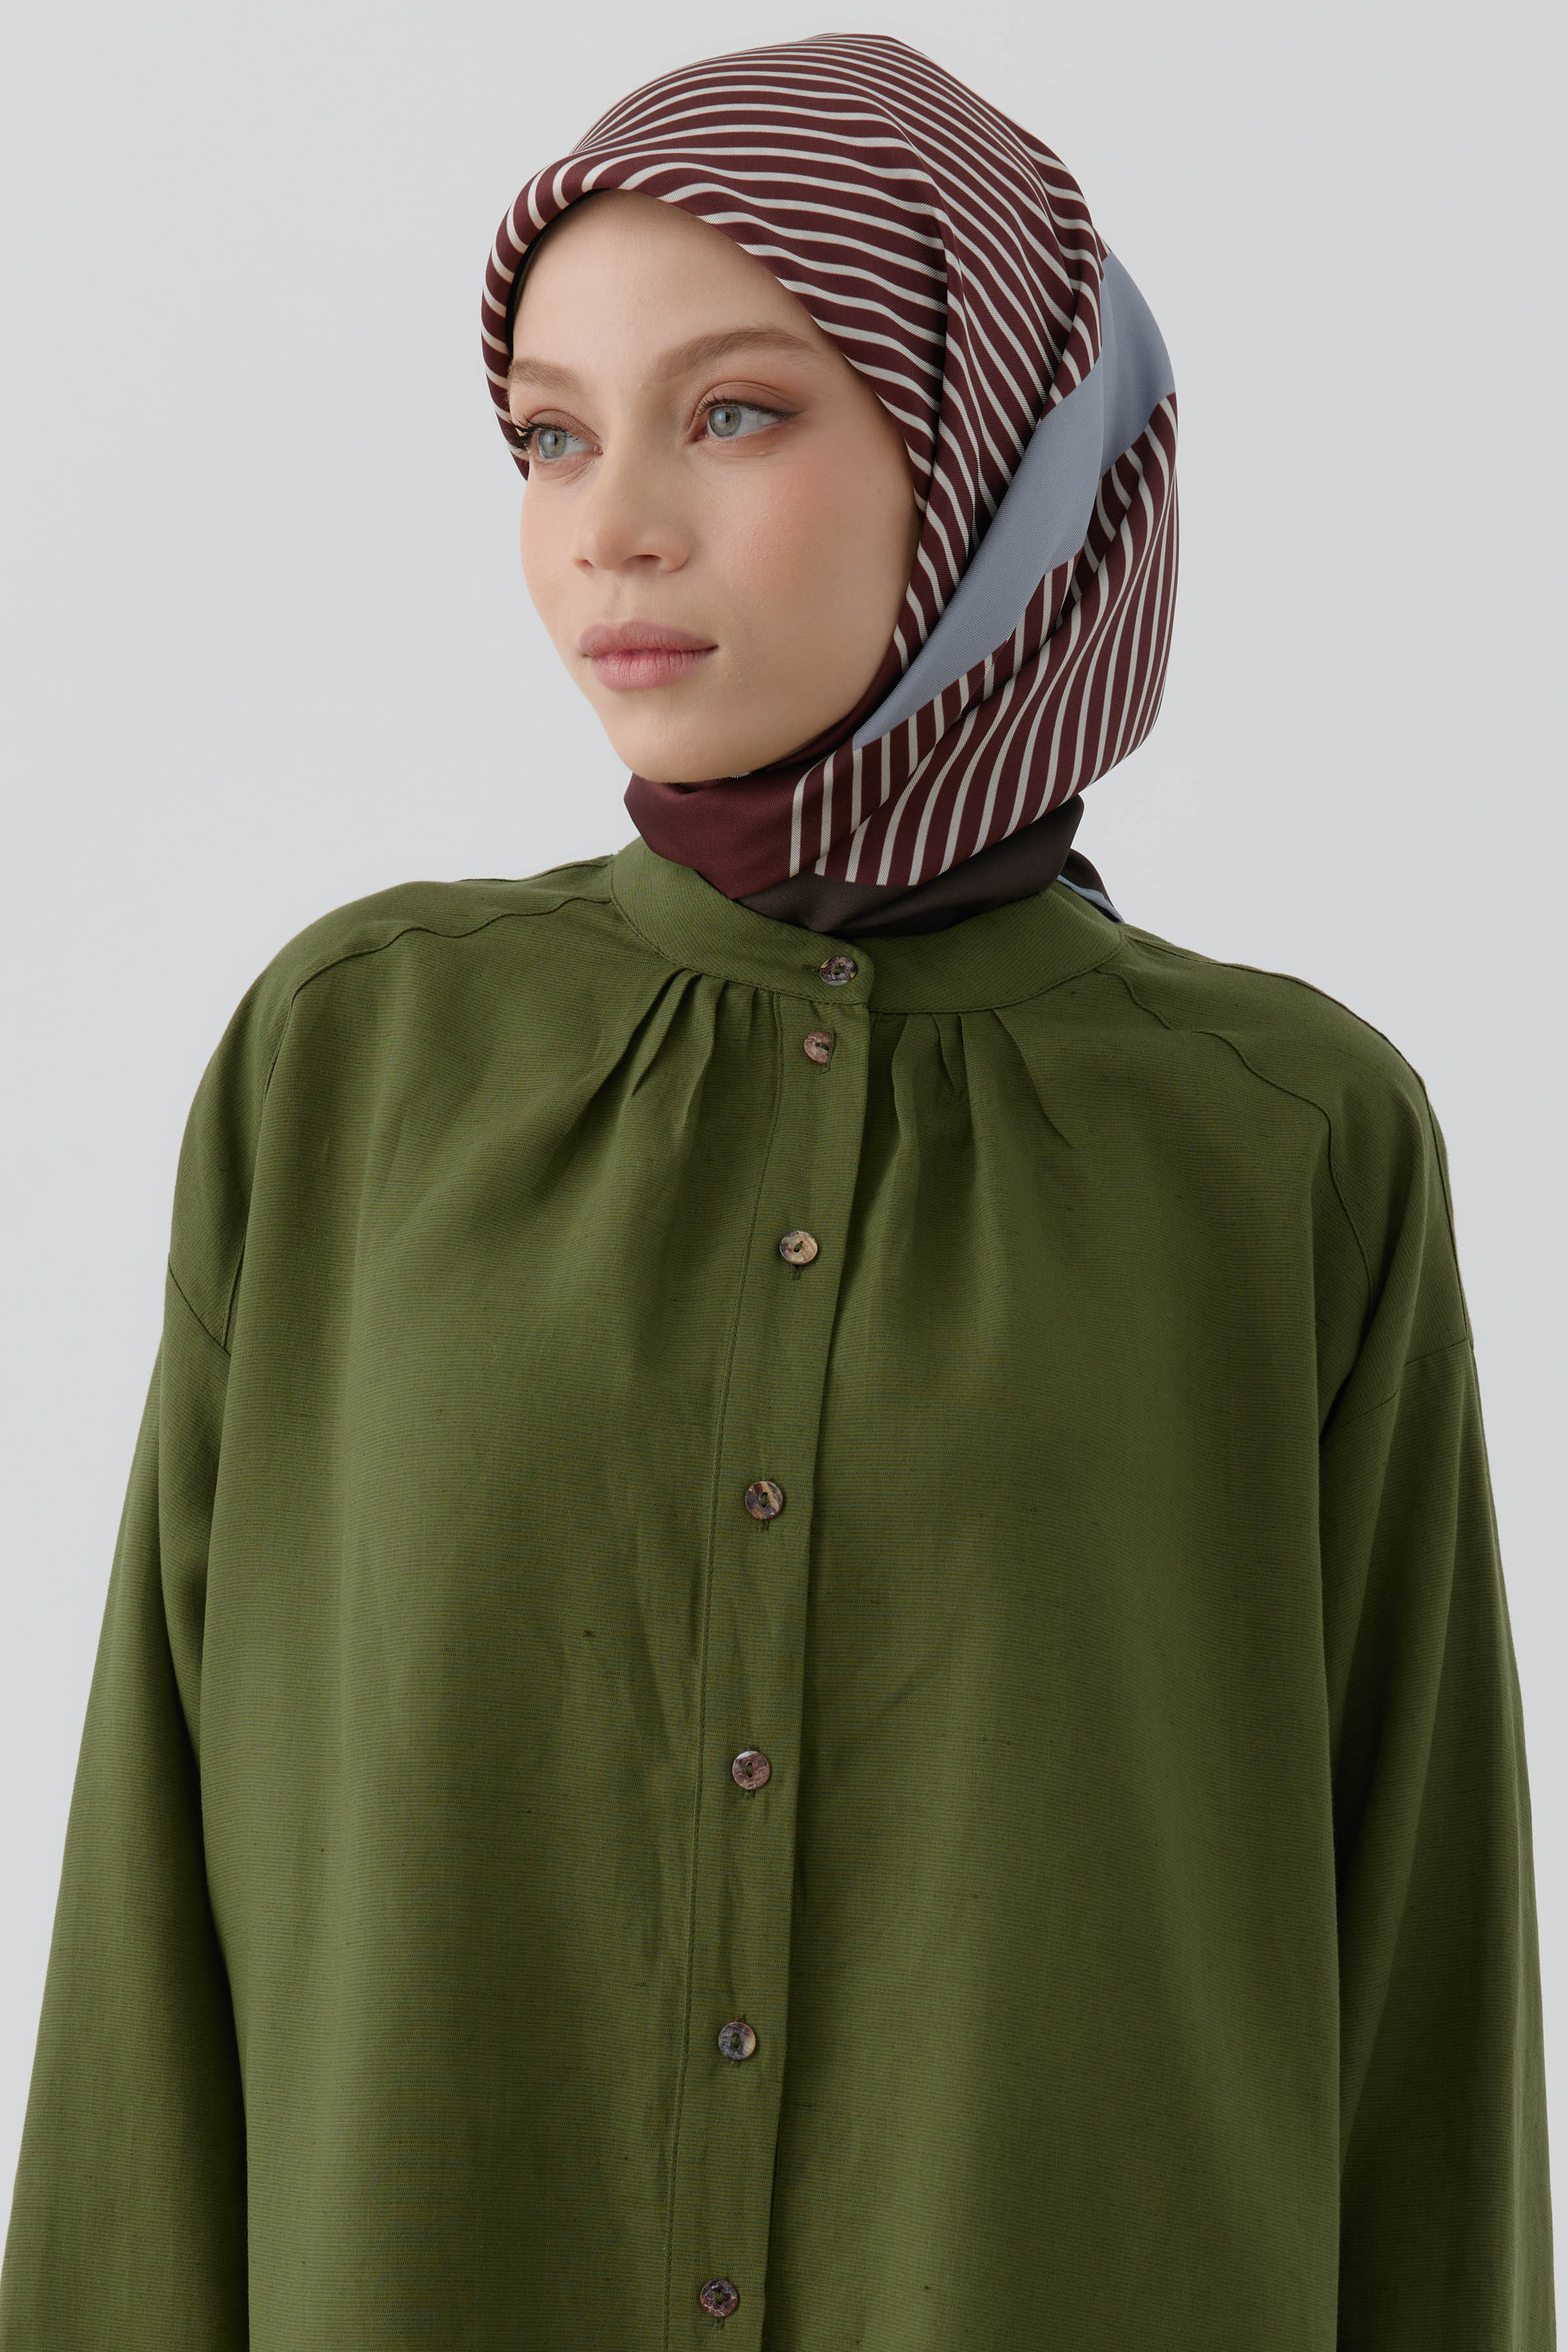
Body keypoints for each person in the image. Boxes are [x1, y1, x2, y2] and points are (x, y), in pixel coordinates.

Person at [0, 32, 1552, 2350]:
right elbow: (151, 1917)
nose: (612, 523)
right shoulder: (356, 1063)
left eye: (732, 412)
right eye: (549, 433)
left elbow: (1427, 1996)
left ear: (988, 443)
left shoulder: (1286, 1139)